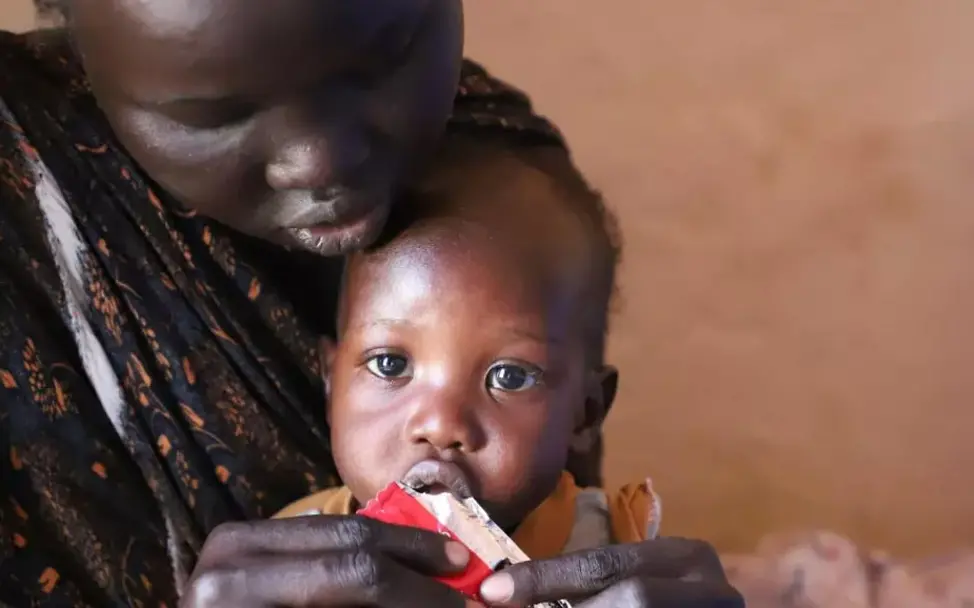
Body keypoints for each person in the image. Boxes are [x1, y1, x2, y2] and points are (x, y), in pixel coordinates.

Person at [0, 1, 742, 606]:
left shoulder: (498, 171)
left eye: (384, 57)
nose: (320, 163)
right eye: (207, 114)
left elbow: (557, 482)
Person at [269, 133, 666, 594]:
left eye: (509, 377)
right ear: (332, 384)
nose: (441, 425)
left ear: (586, 412)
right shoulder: (296, 556)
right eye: (390, 365)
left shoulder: (613, 552)